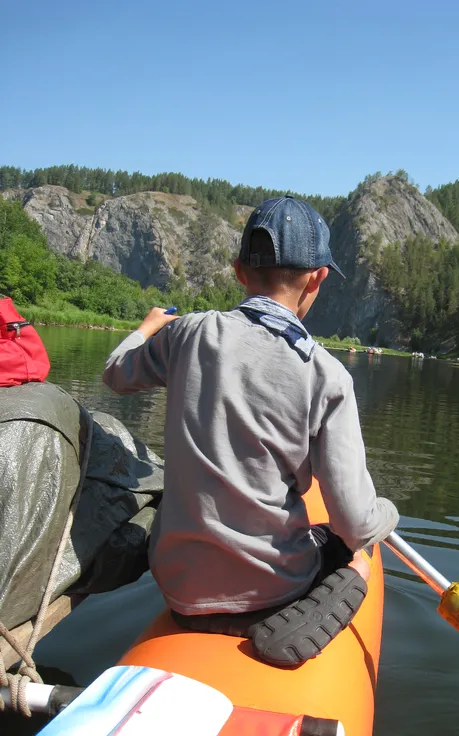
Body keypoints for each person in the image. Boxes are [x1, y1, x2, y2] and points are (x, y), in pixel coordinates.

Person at [103, 196, 398, 666]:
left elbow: (116, 374)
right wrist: (388, 513)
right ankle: (317, 606)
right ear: (318, 278)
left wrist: (147, 328)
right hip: (272, 590)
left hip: (178, 586)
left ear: (240, 272)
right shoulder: (326, 375)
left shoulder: (187, 333)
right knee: (355, 550)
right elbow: (356, 524)